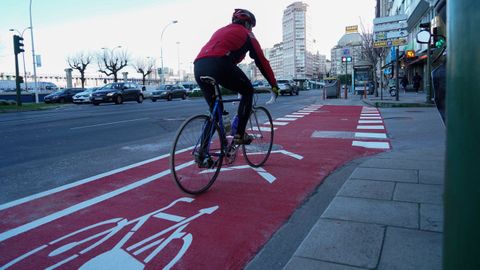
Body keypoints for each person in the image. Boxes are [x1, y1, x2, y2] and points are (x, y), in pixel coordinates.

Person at [194, 8, 279, 146]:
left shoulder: (220, 30)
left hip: (199, 66)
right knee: (248, 91)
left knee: (216, 114)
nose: (251, 29)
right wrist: (274, 85)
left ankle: (202, 152)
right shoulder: (247, 34)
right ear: (248, 24)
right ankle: (239, 134)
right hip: (219, 63)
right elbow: (261, 61)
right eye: (251, 26)